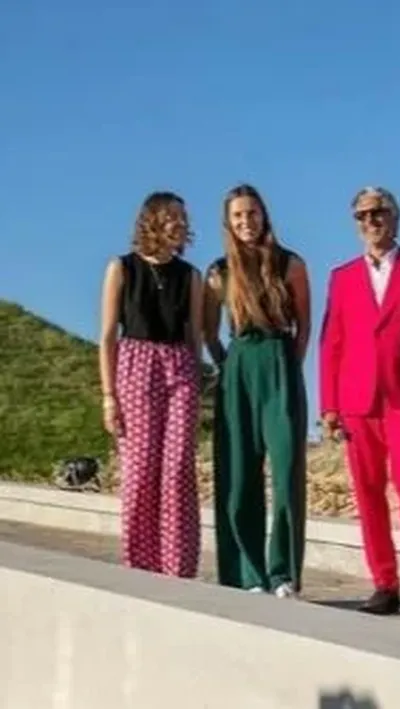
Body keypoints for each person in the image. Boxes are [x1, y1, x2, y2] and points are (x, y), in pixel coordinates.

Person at [318, 186, 400, 616]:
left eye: (379, 213)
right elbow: (332, 342)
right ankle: (384, 583)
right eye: (362, 215)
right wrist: (329, 406)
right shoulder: (342, 277)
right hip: (358, 401)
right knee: (368, 491)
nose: (371, 221)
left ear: (395, 217)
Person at [202, 183, 311, 598]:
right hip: (239, 364)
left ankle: (283, 572)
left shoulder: (291, 264)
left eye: (252, 213)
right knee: (237, 473)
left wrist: (288, 366)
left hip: (280, 359)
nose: (246, 222)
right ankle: (247, 573)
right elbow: (209, 330)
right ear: (228, 223)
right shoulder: (218, 271)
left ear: (264, 215)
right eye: (237, 216)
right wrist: (226, 364)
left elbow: (304, 324)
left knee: (285, 471)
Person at [97, 191, 203, 578]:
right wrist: (109, 397)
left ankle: (178, 566)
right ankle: (140, 565)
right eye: (171, 217)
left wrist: (196, 377)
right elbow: (108, 335)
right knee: (141, 468)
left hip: (178, 364)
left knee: (176, 468)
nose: (179, 224)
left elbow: (194, 335)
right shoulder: (122, 268)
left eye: (183, 217)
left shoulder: (190, 276)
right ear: (151, 221)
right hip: (136, 365)